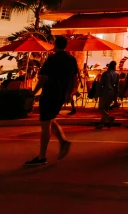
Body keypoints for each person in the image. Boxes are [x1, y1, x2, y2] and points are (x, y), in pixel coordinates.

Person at [25, 35, 78, 166]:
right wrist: (69, 93)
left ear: (55, 45)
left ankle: (42, 156)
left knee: (45, 124)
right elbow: (74, 78)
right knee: (50, 119)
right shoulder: (71, 59)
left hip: (50, 92)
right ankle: (63, 141)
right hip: (61, 95)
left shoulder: (52, 59)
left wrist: (33, 92)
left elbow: (43, 78)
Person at [96, 61, 119, 129]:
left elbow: (101, 84)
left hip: (105, 92)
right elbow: (117, 86)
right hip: (112, 93)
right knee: (106, 109)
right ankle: (101, 124)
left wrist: (98, 93)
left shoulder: (106, 73)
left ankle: (109, 118)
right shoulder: (117, 74)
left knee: (101, 108)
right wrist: (115, 96)